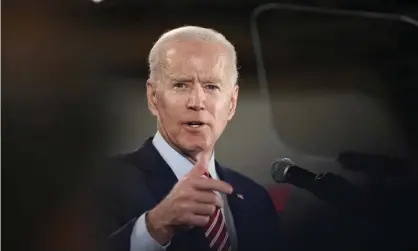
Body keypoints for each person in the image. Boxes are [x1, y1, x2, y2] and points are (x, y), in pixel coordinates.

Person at [92, 26, 286, 251]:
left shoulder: (255, 199)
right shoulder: (102, 183)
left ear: (231, 104)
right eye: (181, 85)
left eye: (211, 86)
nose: (197, 101)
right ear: (153, 98)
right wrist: (154, 227)